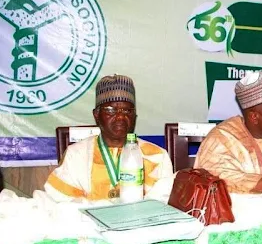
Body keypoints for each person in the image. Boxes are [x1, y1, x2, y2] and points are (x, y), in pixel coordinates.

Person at [45, 74, 173, 201]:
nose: (120, 117)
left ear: (135, 116)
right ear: (96, 115)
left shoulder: (157, 156)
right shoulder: (76, 154)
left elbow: (164, 203)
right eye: (111, 110)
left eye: (127, 110)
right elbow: (61, 202)